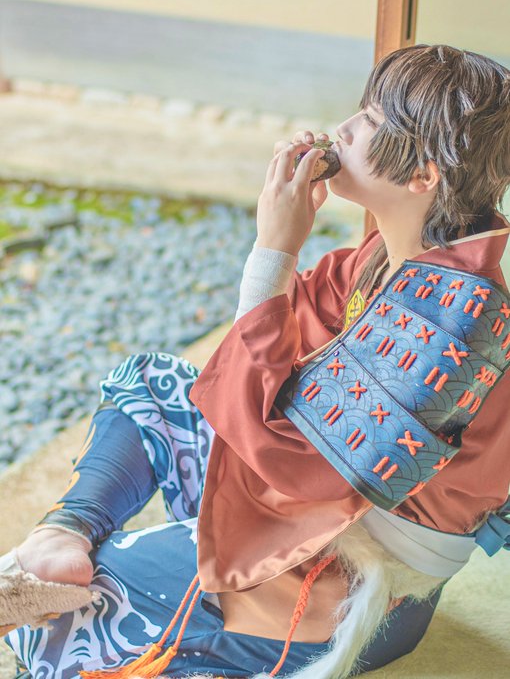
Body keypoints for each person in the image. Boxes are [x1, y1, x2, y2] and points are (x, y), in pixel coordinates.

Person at [2, 43, 510, 679]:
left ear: (424, 175)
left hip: (346, 577)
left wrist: (274, 251)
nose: (345, 128)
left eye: (371, 121)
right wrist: (278, 251)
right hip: (312, 509)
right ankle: (64, 532)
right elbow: (258, 371)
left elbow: (290, 457)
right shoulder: (393, 255)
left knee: (67, 614)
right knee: (150, 384)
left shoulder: (453, 326)